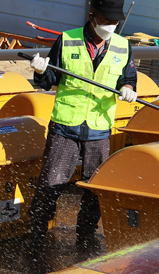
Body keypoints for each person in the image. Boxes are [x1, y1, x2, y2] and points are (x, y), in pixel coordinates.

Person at [27, 0, 137, 250]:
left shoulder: (123, 46)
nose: (111, 26)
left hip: (99, 128)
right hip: (66, 126)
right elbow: (48, 81)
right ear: (92, 16)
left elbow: (128, 78)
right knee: (51, 182)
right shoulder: (67, 40)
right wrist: (41, 71)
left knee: (94, 187)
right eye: (106, 21)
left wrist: (129, 89)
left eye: (115, 22)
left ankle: (85, 235)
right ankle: (37, 233)